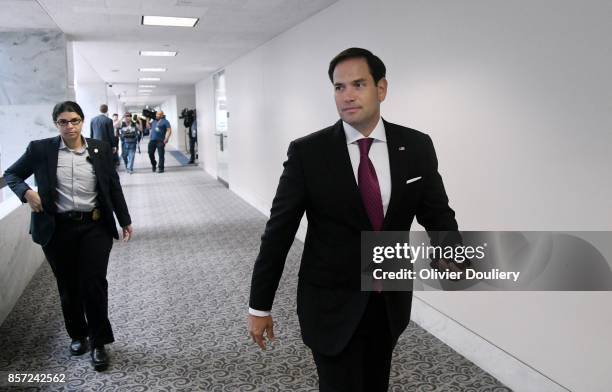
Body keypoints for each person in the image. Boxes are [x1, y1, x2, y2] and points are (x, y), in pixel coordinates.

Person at [247, 48, 461, 391]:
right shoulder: (308, 153)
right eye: (339, 87)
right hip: (330, 303)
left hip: (388, 300)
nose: (347, 95)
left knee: (376, 383)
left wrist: (450, 251)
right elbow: (278, 232)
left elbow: (437, 212)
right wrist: (260, 305)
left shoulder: (416, 146)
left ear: (382, 88)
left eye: (358, 84)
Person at [4, 101, 133, 372]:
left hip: (94, 227)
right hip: (57, 228)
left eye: (74, 120)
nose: (70, 126)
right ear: (56, 124)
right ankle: (78, 335)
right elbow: (11, 174)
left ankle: (99, 341)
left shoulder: (99, 149)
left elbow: (113, 185)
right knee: (68, 285)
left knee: (94, 283)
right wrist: (27, 193)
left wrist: (125, 220)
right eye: (63, 122)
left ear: (82, 121)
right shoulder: (40, 149)